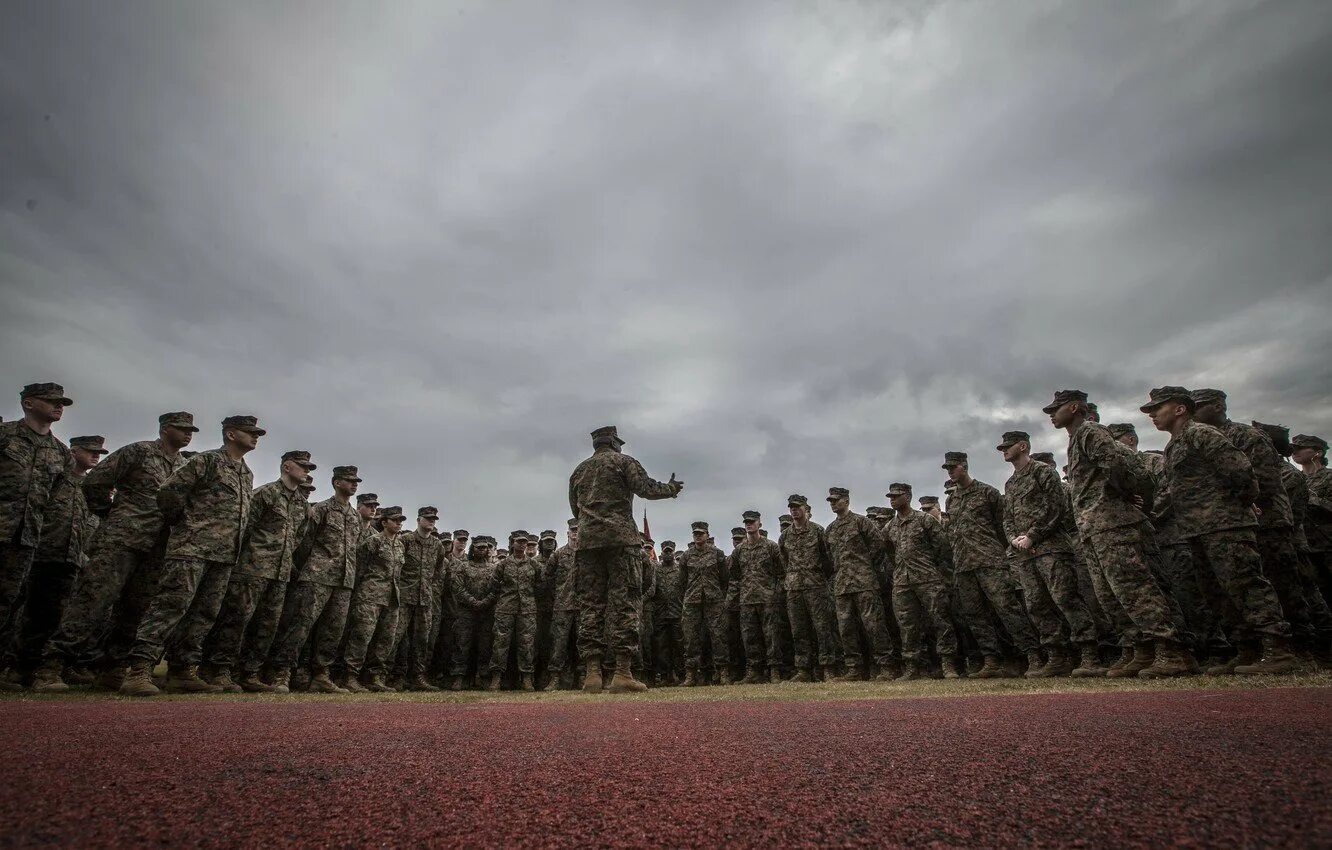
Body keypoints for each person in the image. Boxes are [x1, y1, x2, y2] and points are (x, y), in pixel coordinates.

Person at [34, 412, 194, 692]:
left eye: (190, 430)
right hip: (121, 539)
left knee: (135, 610)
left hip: (157, 547)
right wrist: (112, 514)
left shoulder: (183, 466)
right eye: (181, 429)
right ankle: (51, 667)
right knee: (92, 601)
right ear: (165, 429)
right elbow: (96, 482)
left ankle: (113, 669)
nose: (188, 434)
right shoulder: (139, 452)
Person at [1141, 386, 1294, 674]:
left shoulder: (1202, 434)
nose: (1152, 415)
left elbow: (1239, 470)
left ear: (1179, 409)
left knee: (1246, 585)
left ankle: (1277, 648)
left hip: (1225, 524)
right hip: (1195, 528)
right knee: (1216, 593)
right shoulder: (1174, 444)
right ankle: (1246, 649)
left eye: (1157, 408)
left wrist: (1242, 503)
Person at [1047, 389, 1194, 679]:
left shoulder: (1091, 432)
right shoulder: (1076, 439)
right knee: (1111, 595)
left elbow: (1116, 465)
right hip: (1094, 528)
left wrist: (1125, 494)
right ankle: (1141, 650)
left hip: (1114, 524)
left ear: (1074, 407)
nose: (1052, 414)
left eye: (1056, 409)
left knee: (1136, 589)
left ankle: (1171, 651)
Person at [121, 415, 260, 697]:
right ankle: (139, 670)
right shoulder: (206, 461)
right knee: (170, 605)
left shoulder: (246, 473)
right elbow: (169, 492)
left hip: (223, 555)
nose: (255, 437)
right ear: (231, 434)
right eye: (249, 432)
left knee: (204, 614)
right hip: (192, 548)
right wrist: (186, 524)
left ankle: (183, 670)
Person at [568, 425, 682, 694]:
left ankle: (593, 674)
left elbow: (575, 507)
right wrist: (671, 488)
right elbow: (646, 488)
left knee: (591, 606)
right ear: (615, 443)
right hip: (621, 542)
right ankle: (622, 672)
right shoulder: (624, 462)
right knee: (625, 602)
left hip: (587, 544)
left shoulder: (579, 471)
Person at [201, 449, 315, 693]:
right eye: (302, 466)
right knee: (238, 619)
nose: (306, 471)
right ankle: (220, 670)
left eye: (309, 468)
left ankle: (250, 673)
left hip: (280, 572)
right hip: (253, 567)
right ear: (286, 467)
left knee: (268, 624)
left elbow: (298, 538)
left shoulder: (302, 506)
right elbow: (245, 527)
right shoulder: (266, 494)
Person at [998, 431, 1103, 678]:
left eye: (1008, 446)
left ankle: (1089, 654)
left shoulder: (1043, 472)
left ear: (1023, 446)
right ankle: (1057, 656)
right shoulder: (1011, 483)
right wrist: (1014, 538)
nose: (1004, 450)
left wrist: (1033, 535)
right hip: (1024, 554)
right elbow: (1007, 519)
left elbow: (1057, 508)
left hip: (1050, 548)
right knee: (1036, 605)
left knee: (1066, 598)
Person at [5, 435, 101, 689]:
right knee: (17, 608)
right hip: (38, 549)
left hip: (69, 556)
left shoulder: (90, 486)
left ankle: (29, 669)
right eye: (90, 451)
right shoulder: (55, 477)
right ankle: (13, 667)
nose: (96, 456)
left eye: (99, 452)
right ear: (74, 450)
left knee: (50, 614)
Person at [942, 450, 1043, 676]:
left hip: (990, 561)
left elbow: (1002, 525)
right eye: (947, 469)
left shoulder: (987, 492)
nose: (950, 472)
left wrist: (996, 551)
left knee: (1007, 609)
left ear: (964, 466)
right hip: (964, 565)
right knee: (974, 615)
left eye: (953, 467)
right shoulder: (951, 500)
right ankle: (992, 660)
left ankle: (1031, 655)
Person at [0, 383, 74, 685]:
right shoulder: (4, 437)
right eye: (51, 401)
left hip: (27, 537)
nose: (58, 407)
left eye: (62, 403)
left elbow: (58, 500)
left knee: (10, 602)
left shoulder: (60, 452)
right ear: (28, 403)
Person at [269, 465, 365, 694]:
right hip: (317, 576)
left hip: (344, 581)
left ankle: (321, 675)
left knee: (333, 630)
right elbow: (304, 542)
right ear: (336, 482)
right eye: (349, 480)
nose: (354, 484)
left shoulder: (354, 516)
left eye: (356, 481)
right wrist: (312, 567)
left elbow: (355, 549)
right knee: (300, 626)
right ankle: (282, 673)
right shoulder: (320, 509)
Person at [884, 483, 957, 680]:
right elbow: (890, 553)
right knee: (907, 625)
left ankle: (947, 663)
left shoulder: (924, 520)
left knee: (940, 620)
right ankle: (912, 667)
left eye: (896, 496)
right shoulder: (889, 527)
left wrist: (931, 569)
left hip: (928, 578)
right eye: (890, 496)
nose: (892, 499)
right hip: (902, 582)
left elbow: (942, 549)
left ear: (907, 497)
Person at [825, 487, 898, 681]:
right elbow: (829, 557)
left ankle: (885, 666)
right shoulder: (830, 529)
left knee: (874, 625)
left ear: (846, 500)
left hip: (864, 582)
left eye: (836, 500)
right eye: (830, 501)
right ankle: (854, 669)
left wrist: (864, 568)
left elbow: (878, 548)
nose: (832, 504)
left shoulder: (861, 522)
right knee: (846, 628)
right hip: (842, 585)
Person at [342, 506, 406, 692]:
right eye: (395, 520)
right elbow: (359, 568)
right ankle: (350, 676)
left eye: (401, 520)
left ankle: (374, 677)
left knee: (385, 639)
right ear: (384, 522)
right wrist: (360, 593)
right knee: (362, 636)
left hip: (392, 598)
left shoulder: (400, 545)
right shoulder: (373, 542)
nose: (399, 523)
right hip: (370, 595)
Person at [779, 494, 840, 682]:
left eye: (797, 507)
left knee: (822, 629)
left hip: (816, 587)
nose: (794, 510)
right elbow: (784, 562)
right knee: (799, 630)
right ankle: (804, 669)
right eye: (791, 507)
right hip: (794, 588)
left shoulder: (818, 531)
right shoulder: (785, 536)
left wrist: (818, 577)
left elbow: (828, 559)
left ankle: (828, 668)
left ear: (806, 508)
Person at [732, 511, 785, 683]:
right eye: (747, 522)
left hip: (767, 598)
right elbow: (734, 575)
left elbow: (781, 572)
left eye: (752, 522)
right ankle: (754, 671)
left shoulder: (770, 546)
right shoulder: (739, 550)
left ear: (759, 524)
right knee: (750, 637)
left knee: (771, 636)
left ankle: (774, 670)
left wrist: (775, 593)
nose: (749, 525)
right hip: (747, 599)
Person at [396, 507, 445, 691]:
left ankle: (418, 676)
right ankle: (396, 676)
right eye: (428, 518)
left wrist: (430, 587)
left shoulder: (437, 545)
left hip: (425, 598)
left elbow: (439, 570)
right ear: (418, 520)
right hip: (405, 596)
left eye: (434, 519)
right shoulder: (406, 540)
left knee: (422, 640)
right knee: (398, 637)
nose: (431, 521)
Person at [679, 521, 730, 686]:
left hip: (714, 600)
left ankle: (723, 672)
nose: (698, 536)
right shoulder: (686, 556)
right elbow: (682, 582)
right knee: (691, 638)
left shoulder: (717, 554)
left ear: (707, 535)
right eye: (695, 534)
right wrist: (688, 596)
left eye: (701, 533)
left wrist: (717, 594)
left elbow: (725, 579)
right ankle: (691, 674)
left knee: (718, 636)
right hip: (692, 602)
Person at [489, 531, 541, 691]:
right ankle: (496, 678)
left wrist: (530, 598)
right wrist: (505, 598)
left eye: (525, 542)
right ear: (512, 543)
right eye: (519, 542)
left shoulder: (534, 565)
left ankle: (526, 678)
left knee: (527, 644)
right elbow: (493, 585)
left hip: (527, 610)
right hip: (505, 609)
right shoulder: (503, 565)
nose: (523, 544)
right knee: (500, 644)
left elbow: (540, 586)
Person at [449, 535, 498, 690]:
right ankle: (460, 677)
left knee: (485, 646)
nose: (482, 550)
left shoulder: (493, 568)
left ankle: (483, 677)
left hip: (486, 612)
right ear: (473, 549)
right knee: (462, 644)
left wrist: (484, 602)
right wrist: (473, 602)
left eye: (485, 547)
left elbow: (496, 589)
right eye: (479, 547)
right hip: (466, 612)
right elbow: (457, 588)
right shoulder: (463, 566)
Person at [543, 520, 580, 690]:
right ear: (567, 533)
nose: (575, 533)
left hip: (584, 607)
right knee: (558, 644)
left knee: (583, 643)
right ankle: (555, 678)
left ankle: (582, 677)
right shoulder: (558, 555)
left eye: (578, 530)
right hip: (562, 606)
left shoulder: (587, 553)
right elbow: (548, 579)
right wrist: (557, 595)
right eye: (573, 530)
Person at [652, 539, 685, 685]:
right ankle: (665, 676)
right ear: (661, 552)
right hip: (661, 613)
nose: (667, 554)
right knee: (662, 646)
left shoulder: (680, 570)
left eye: (670, 551)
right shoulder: (656, 570)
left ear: (673, 552)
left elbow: (685, 589)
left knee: (679, 645)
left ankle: (681, 674)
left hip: (677, 612)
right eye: (665, 551)